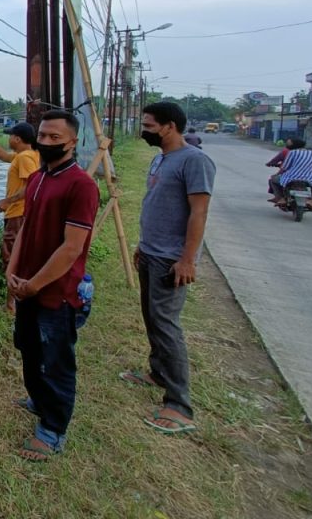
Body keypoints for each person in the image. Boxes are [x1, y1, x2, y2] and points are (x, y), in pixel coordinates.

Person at [7, 111, 99, 460]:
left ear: (73, 142)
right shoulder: (36, 179)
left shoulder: (82, 185)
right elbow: (25, 228)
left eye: (54, 138)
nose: (46, 142)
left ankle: (53, 429)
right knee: (29, 349)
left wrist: (34, 284)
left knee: (56, 360)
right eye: (42, 136)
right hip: (26, 285)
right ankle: (38, 400)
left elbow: (71, 247)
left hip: (56, 292)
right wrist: (12, 273)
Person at [122, 102, 215, 436]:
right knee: (151, 316)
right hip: (150, 251)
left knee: (166, 325)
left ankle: (179, 405)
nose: (143, 130)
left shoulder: (195, 161)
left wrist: (187, 259)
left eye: (148, 125)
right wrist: (141, 244)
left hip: (170, 259)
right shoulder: (161, 158)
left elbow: (198, 213)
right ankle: (157, 372)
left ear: (169, 126)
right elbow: (157, 206)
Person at [0, 120, 40, 307]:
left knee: (11, 256)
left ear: (17, 139)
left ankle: (12, 303)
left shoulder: (24, 158)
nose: (9, 138)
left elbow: (30, 186)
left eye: (11, 135)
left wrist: (7, 201)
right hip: (18, 213)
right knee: (15, 254)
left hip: (17, 213)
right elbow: (3, 156)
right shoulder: (28, 154)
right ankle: (14, 299)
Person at [270, 139, 312, 210]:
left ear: (294, 145)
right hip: (309, 179)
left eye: (289, 143)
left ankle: (281, 198)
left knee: (273, 180)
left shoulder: (292, 152)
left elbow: (285, 167)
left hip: (291, 178)